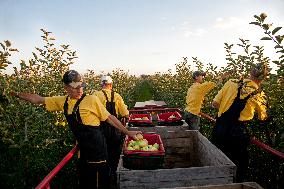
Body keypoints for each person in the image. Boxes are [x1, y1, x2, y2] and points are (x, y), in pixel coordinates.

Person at [10, 70, 141, 189]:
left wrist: (128, 132)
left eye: (81, 86)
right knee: (85, 183)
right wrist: (16, 94)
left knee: (99, 184)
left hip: (97, 153)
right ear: (66, 88)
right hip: (82, 154)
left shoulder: (91, 100)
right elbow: (38, 99)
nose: (80, 90)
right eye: (75, 87)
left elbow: (110, 118)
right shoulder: (63, 101)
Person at [211, 64, 267, 182]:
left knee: (217, 161)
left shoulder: (231, 82)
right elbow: (263, 117)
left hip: (219, 128)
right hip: (237, 134)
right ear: (263, 78)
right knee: (240, 165)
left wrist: (226, 111)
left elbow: (214, 103)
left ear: (250, 72)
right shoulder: (258, 93)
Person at [93, 75, 129, 188]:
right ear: (111, 85)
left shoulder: (95, 95)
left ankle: (105, 178)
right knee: (115, 152)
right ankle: (114, 173)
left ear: (101, 84)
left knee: (103, 153)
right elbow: (125, 113)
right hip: (115, 129)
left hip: (101, 129)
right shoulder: (117, 96)